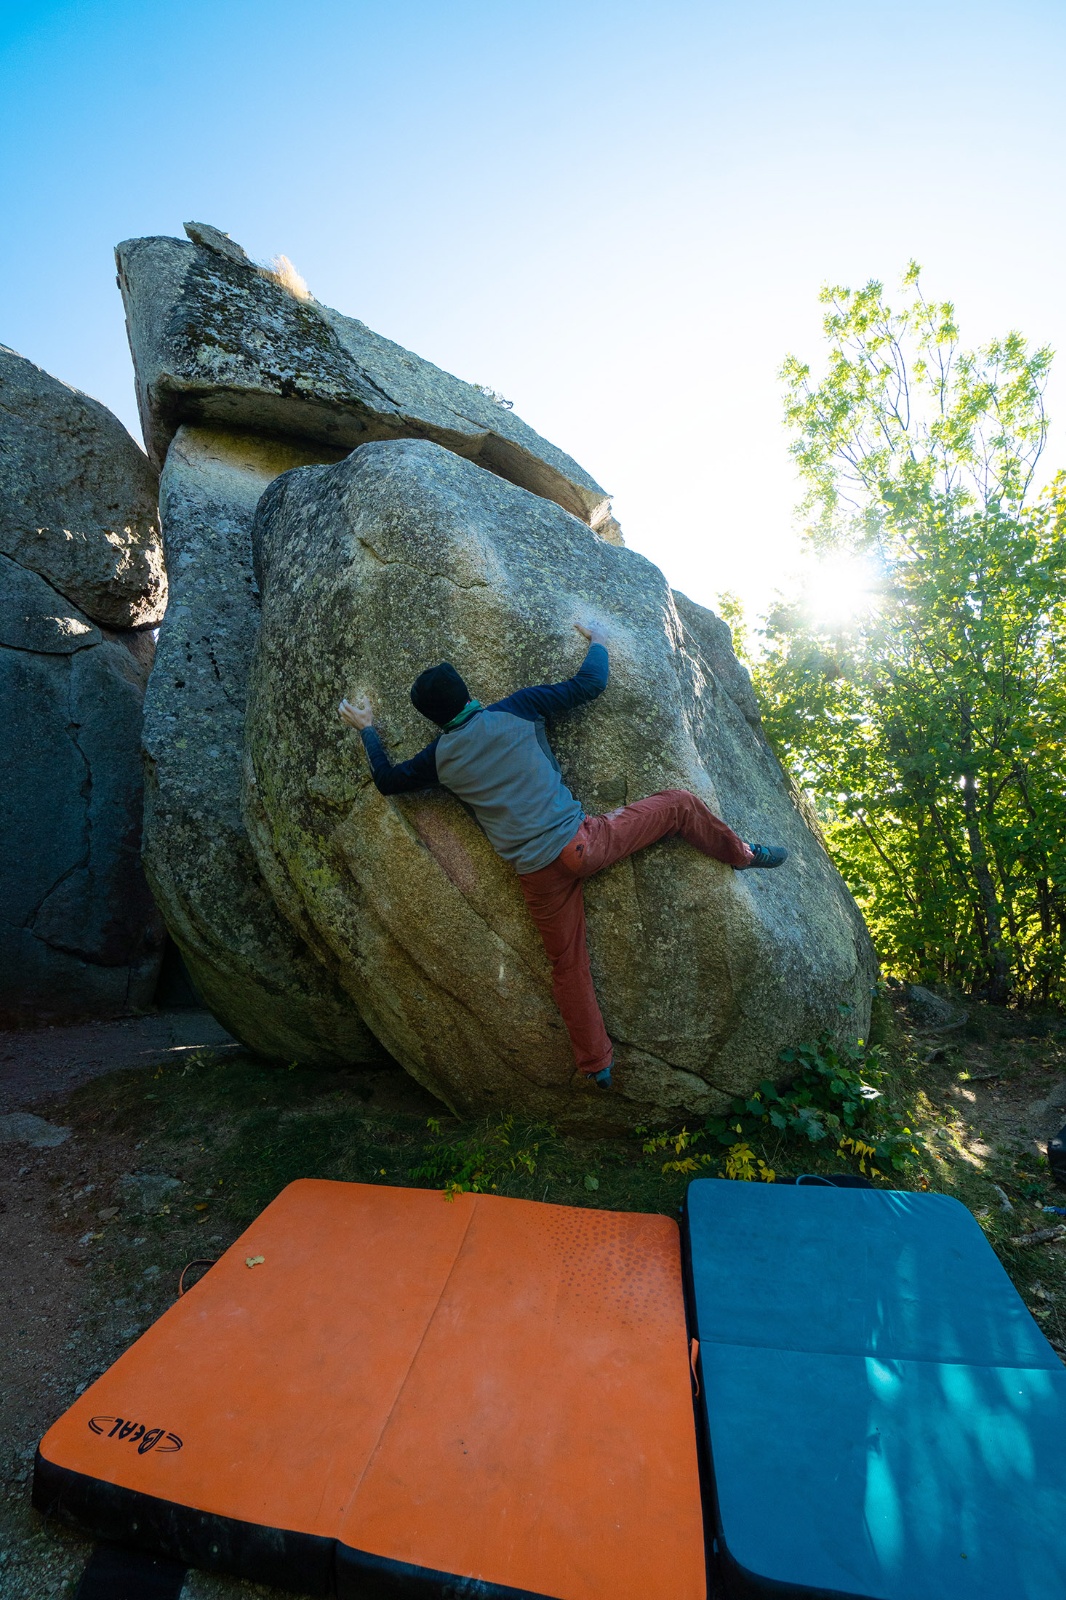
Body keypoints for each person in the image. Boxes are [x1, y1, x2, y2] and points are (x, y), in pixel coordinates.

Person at [339, 623, 787, 1090]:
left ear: (432, 717)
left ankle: (597, 1064)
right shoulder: (516, 709)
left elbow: (388, 782)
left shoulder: (438, 758)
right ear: (466, 691)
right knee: (679, 803)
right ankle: (742, 854)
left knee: (567, 965)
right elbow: (591, 684)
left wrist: (368, 730)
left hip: (535, 876)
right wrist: (599, 641)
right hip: (582, 844)